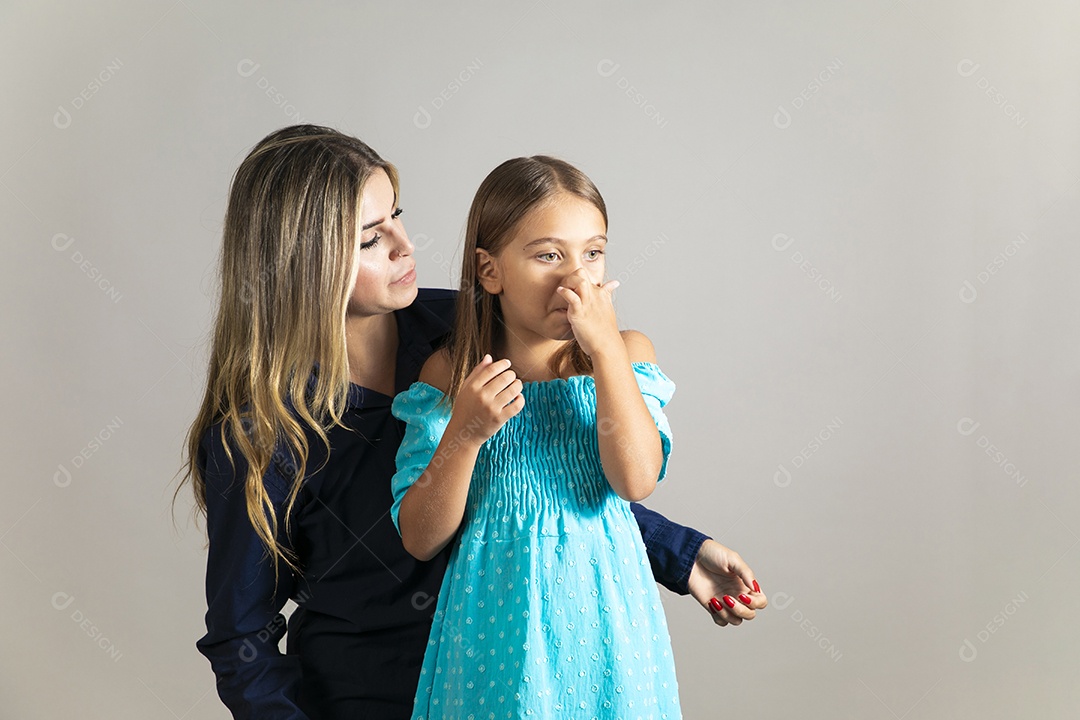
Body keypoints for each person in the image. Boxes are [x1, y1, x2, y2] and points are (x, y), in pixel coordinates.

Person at [179, 124, 766, 719]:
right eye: (368, 240)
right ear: (298, 263)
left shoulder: (464, 331)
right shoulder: (260, 432)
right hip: (370, 696)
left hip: (522, 677)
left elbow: (537, 488)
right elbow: (240, 635)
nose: (405, 246)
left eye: (397, 216)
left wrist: (680, 552)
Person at [391, 155, 686, 717]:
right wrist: (465, 434)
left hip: (609, 629)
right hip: (493, 633)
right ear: (490, 271)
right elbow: (420, 537)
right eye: (549, 255)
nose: (576, 278)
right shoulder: (449, 378)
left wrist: (604, 353)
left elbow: (636, 479)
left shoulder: (626, 356)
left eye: (593, 254)